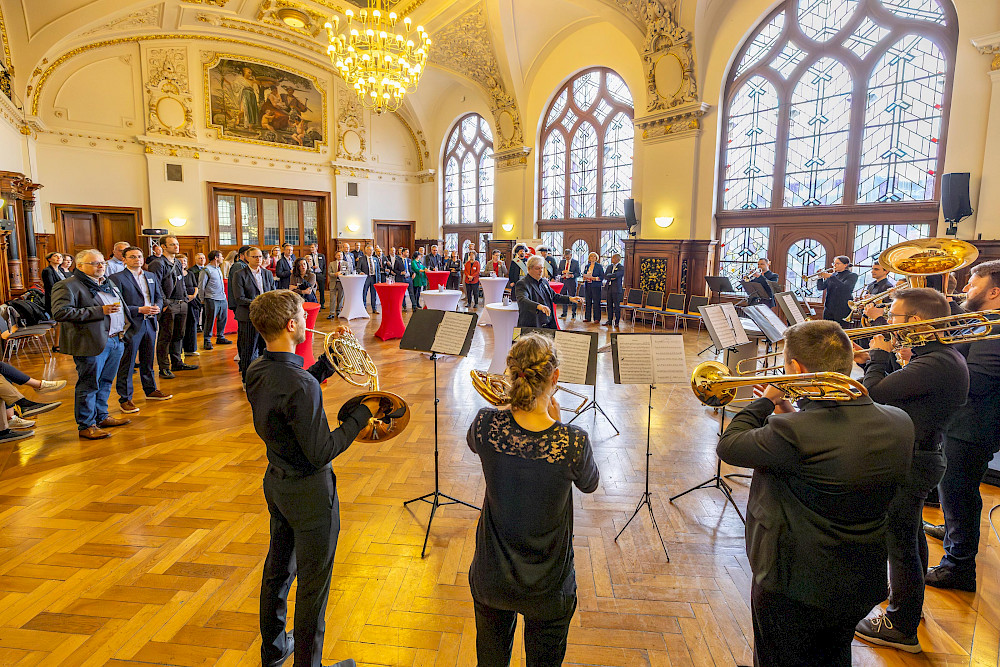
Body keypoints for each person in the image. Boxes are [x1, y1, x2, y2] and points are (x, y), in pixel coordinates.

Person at [718, 320, 913, 666]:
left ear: (796, 369)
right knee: (834, 655)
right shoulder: (900, 421)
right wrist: (790, 413)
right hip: (860, 577)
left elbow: (730, 445)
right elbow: (832, 450)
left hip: (793, 581)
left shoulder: (794, 433)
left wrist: (766, 402)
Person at [246, 290, 379, 667]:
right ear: (291, 325)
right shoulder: (301, 386)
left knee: (277, 571)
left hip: (277, 482)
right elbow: (322, 451)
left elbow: (291, 393)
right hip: (311, 494)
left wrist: (327, 362)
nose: (308, 322)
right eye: (304, 317)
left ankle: (274, 650)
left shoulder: (257, 369)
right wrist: (361, 415)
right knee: (313, 587)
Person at [467, 334, 598, 666]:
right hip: (548, 587)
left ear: (511, 373)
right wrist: (559, 424)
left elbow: (475, 443)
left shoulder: (485, 424)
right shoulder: (572, 442)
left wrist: (507, 409)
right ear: (555, 378)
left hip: (492, 577)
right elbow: (590, 483)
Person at [853, 288, 969, 653]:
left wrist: (878, 357)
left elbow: (874, 394)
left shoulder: (934, 363)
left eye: (894, 316)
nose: (889, 322)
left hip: (913, 460)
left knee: (899, 543)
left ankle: (901, 626)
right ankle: (908, 605)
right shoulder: (937, 357)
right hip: (921, 455)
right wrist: (878, 359)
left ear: (916, 321)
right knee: (910, 536)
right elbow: (900, 393)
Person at [923, 260, 1000, 593]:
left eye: (973, 283)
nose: (966, 288)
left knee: (959, 491)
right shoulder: (983, 322)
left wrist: (932, 365)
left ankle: (958, 567)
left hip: (973, 425)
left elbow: (976, 381)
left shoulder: (995, 329)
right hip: (966, 420)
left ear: (994, 292)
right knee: (954, 490)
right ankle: (954, 532)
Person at [52, 250, 133, 440]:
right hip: (90, 341)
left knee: (106, 381)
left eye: (102, 262)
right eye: (95, 263)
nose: (101, 266)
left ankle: (101, 416)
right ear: (80, 266)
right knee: (89, 384)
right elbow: (61, 313)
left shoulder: (107, 282)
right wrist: (99, 311)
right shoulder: (67, 285)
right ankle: (86, 425)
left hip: (115, 339)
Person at [109, 246, 172, 413]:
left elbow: (159, 296)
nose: (137, 259)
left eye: (139, 256)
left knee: (148, 359)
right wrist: (138, 309)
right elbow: (117, 304)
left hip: (150, 322)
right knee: (128, 362)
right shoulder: (117, 278)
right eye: (132, 257)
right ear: (124, 260)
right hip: (131, 323)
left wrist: (158, 307)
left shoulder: (150, 276)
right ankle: (125, 398)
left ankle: (150, 390)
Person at [147, 235, 198, 378]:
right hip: (169, 304)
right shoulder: (157, 264)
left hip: (182, 303)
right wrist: (164, 304)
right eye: (172, 244)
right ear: (163, 246)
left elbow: (181, 282)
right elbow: (155, 286)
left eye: (177, 244)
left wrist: (185, 299)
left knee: (179, 335)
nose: (176, 246)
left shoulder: (177, 262)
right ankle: (164, 367)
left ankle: (177, 362)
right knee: (166, 337)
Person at [231, 246, 275, 384]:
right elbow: (239, 298)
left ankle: (264, 378)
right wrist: (260, 303)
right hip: (248, 317)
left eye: (260, 256)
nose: (258, 259)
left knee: (265, 349)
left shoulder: (267, 273)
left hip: (266, 317)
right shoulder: (239, 274)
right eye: (255, 257)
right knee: (248, 350)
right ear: (247, 258)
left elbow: (272, 292)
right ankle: (247, 380)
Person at [515, 255, 582, 329]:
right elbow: (522, 300)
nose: (541, 271)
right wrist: (538, 306)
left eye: (542, 268)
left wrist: (570, 299)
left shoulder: (544, 282)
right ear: (529, 268)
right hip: (532, 324)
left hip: (548, 324)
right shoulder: (523, 283)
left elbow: (554, 296)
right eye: (537, 268)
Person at [198, 250, 232, 350]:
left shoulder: (218, 269)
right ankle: (207, 340)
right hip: (211, 298)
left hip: (222, 298)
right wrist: (202, 299)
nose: (223, 258)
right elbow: (201, 286)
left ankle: (220, 337)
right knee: (210, 320)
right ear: (216, 258)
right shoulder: (206, 270)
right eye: (221, 256)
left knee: (223, 318)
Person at [817, 256, 858, 324]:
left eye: (837, 263)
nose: (834, 265)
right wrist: (820, 278)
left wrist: (831, 277)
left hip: (842, 309)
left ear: (845, 265)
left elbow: (845, 288)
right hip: (829, 308)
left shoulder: (852, 275)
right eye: (834, 263)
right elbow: (820, 287)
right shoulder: (834, 275)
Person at [859, 263, 896, 328]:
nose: (872, 271)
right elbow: (866, 301)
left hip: (877, 321)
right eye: (872, 269)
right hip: (866, 317)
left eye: (876, 269)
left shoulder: (888, 287)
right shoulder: (871, 285)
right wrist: (863, 304)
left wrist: (873, 300)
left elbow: (888, 307)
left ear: (886, 271)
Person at [180, 255, 201, 358]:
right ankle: (179, 350)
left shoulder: (190, 273)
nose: (183, 262)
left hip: (192, 302)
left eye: (184, 261)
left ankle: (191, 349)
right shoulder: (175, 274)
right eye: (180, 261)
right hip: (181, 302)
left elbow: (196, 286)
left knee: (192, 324)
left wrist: (193, 296)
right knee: (181, 326)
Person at [42, 251, 69, 316]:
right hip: (54, 298)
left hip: (64, 295)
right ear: (49, 259)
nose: (59, 258)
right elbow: (51, 286)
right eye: (55, 256)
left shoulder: (61, 270)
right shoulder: (47, 270)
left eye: (60, 257)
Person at [581, 252, 604, 323]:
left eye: (594, 256)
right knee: (588, 301)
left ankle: (597, 318)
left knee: (596, 302)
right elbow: (584, 274)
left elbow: (602, 277)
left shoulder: (599, 266)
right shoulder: (587, 266)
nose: (593, 258)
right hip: (588, 285)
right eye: (591, 256)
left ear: (596, 258)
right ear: (589, 258)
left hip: (596, 286)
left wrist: (594, 278)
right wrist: (584, 277)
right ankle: (587, 317)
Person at [557, 248, 581, 319]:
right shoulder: (562, 262)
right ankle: (564, 313)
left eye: (568, 257)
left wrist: (572, 275)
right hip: (563, 282)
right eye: (565, 257)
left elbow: (578, 273)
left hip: (571, 282)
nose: (567, 258)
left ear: (571, 255)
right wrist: (562, 272)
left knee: (573, 297)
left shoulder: (575, 262)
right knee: (564, 297)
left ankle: (574, 314)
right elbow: (558, 271)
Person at [603, 252, 625, 327]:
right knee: (609, 305)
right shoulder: (609, 267)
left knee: (616, 306)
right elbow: (605, 276)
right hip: (609, 288)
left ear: (618, 259)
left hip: (616, 289)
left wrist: (611, 276)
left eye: (613, 258)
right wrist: (611, 277)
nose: (612, 259)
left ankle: (617, 322)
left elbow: (617, 275)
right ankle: (609, 320)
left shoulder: (621, 267)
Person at [359, 244, 380, 314]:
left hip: (374, 278)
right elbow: (358, 268)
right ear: (366, 251)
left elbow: (378, 270)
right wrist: (361, 272)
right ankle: (363, 308)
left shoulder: (375, 259)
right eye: (369, 250)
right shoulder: (362, 259)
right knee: (364, 293)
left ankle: (374, 308)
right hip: (366, 278)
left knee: (374, 294)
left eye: (372, 250)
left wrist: (379, 280)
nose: (371, 251)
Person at [327, 251, 348, 320]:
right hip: (333, 282)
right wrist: (335, 274)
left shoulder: (346, 263)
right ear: (335, 256)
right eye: (338, 255)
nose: (340, 256)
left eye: (341, 255)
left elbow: (348, 271)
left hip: (342, 283)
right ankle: (331, 313)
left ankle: (338, 311)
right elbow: (329, 273)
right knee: (332, 299)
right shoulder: (332, 263)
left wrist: (342, 273)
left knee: (340, 298)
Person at [305, 243, 327, 310]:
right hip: (312, 274)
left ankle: (322, 304)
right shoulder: (308, 256)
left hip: (320, 274)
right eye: (310, 247)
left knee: (321, 290)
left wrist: (323, 275)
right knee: (312, 289)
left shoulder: (321, 256)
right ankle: (314, 303)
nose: (311, 249)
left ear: (316, 248)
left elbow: (324, 266)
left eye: (312, 247)